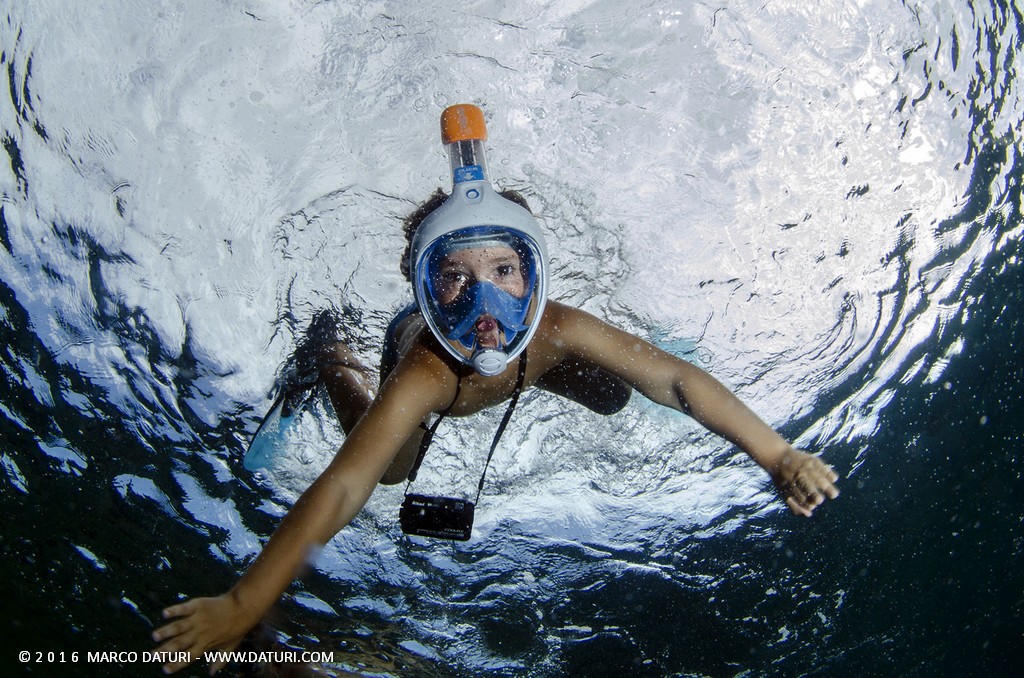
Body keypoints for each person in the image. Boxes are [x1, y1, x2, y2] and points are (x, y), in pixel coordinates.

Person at [152, 104, 839, 674]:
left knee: (617, 392)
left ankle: (567, 354)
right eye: (455, 278)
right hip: (409, 367)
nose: (485, 305)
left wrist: (776, 454)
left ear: (534, 275)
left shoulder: (557, 326)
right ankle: (330, 354)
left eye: (505, 271)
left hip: (538, 357)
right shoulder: (426, 369)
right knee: (391, 469)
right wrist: (243, 605)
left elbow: (676, 379)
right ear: (425, 286)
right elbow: (342, 488)